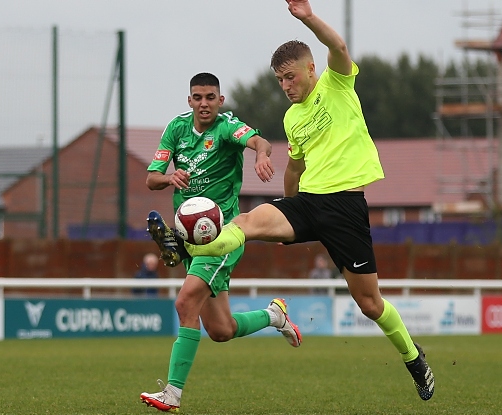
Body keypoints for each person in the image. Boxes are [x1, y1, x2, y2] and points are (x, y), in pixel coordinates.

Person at [147, 0, 434, 402]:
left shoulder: (338, 83)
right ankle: (189, 242)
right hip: (307, 204)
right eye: (279, 80)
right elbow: (296, 170)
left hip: (346, 209)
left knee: (370, 304)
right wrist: (287, 209)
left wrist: (308, 17)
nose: (285, 85)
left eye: (289, 76)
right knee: (247, 222)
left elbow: (338, 47)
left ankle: (413, 358)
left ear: (310, 69)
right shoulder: (291, 118)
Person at [140, 72, 302, 412]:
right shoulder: (176, 129)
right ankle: (274, 315)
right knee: (221, 329)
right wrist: (170, 176)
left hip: (223, 235)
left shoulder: (227, 128)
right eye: (197, 97)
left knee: (185, 303)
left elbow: (261, 142)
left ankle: (172, 393)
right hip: (192, 238)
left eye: (210, 97)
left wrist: (259, 155)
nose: (203, 103)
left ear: (220, 100)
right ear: (189, 101)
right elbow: (151, 178)